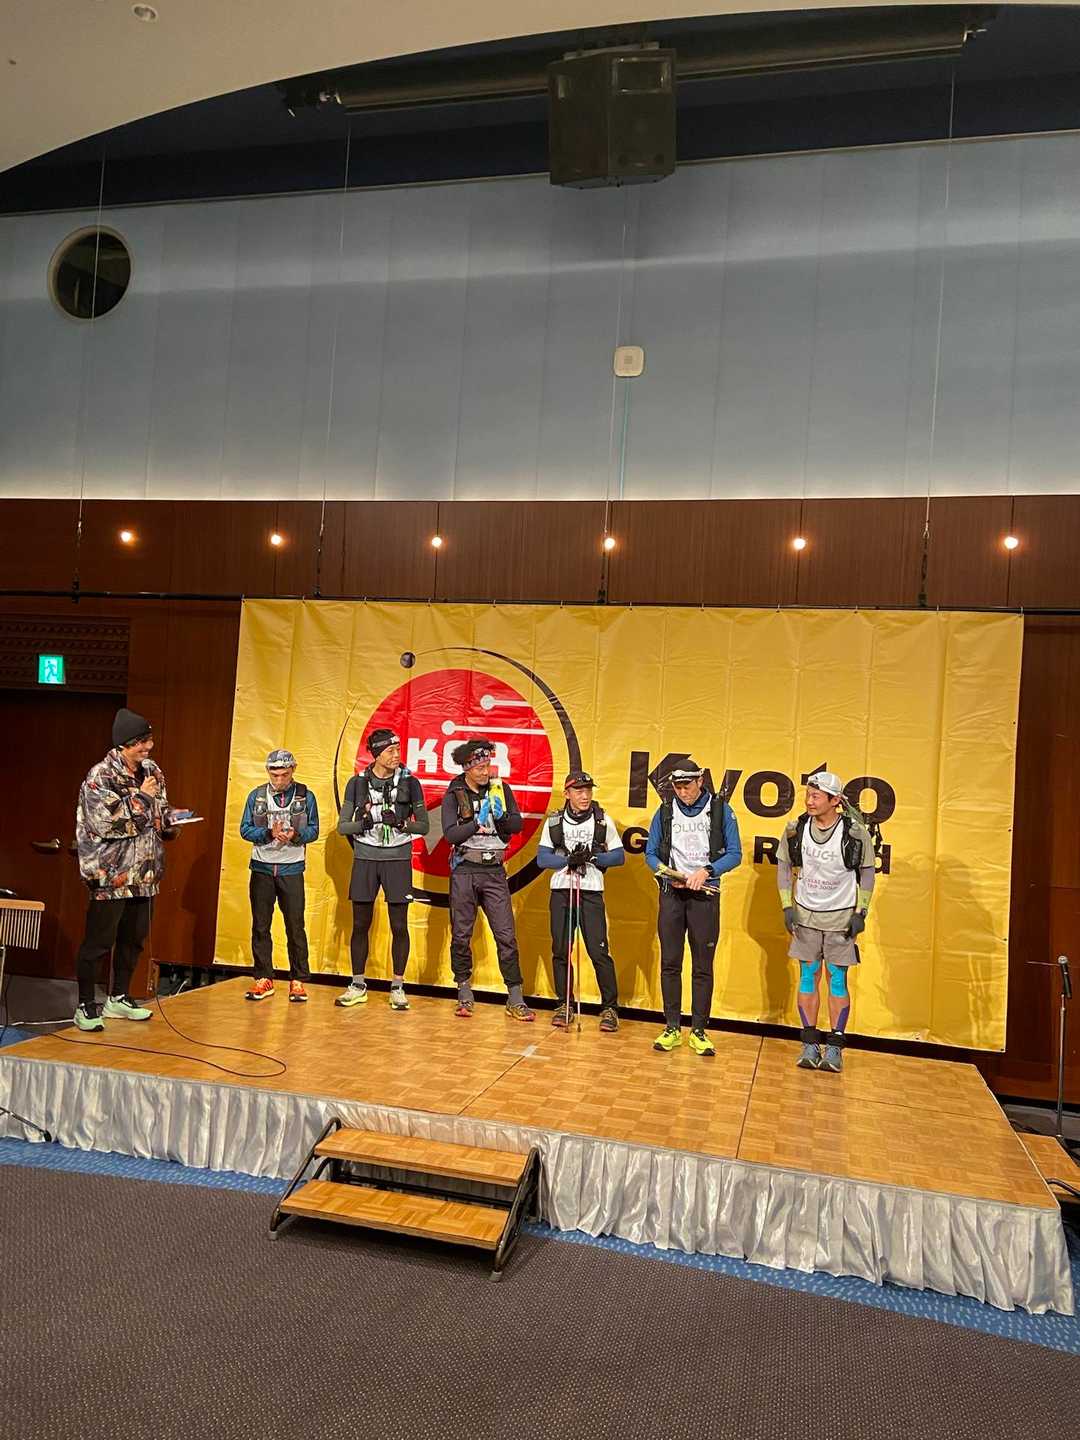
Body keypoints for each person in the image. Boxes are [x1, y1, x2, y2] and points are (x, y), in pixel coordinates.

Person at [72, 708, 180, 1031]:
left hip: (144, 873)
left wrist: (171, 822)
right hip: (110, 875)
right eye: (141, 742)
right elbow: (107, 823)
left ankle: (118, 997)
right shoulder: (100, 777)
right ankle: (85, 1005)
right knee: (99, 943)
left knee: (133, 940)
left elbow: (158, 810)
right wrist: (142, 799)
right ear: (123, 744)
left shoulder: (152, 771)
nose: (148, 747)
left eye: (149, 740)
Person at [777, 771, 875, 1073]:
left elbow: (867, 873)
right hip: (806, 916)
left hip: (840, 917)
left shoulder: (854, 832)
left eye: (816, 796)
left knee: (837, 979)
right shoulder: (795, 829)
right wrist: (787, 906)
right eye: (808, 795)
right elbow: (783, 867)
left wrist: (860, 913)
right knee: (808, 976)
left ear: (835, 801)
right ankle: (809, 1043)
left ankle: (835, 1045)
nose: (809, 801)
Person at [645, 764, 742, 1056]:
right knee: (670, 962)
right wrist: (665, 872)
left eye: (687, 785)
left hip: (705, 895)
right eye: (677, 787)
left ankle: (699, 1030)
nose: (683, 792)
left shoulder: (720, 810)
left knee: (702, 965)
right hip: (672, 895)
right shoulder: (665, 811)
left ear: (700, 780)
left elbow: (735, 854)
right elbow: (650, 854)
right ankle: (672, 1027)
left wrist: (707, 871)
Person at [335, 728, 429, 1011]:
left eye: (398, 749)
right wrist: (361, 824)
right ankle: (358, 984)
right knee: (360, 924)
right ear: (376, 754)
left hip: (397, 858)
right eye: (390, 750)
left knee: (399, 925)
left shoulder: (410, 782)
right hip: (365, 858)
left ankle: (398, 987)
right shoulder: (357, 783)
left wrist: (401, 824)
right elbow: (343, 827)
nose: (396, 755)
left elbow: (424, 826)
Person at [442, 738, 533, 1022]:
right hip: (465, 869)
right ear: (467, 768)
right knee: (461, 934)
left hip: (494, 870)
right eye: (479, 768)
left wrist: (501, 815)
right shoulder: (455, 792)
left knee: (506, 934)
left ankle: (515, 997)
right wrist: (475, 823)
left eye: (487, 766)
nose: (485, 772)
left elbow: (517, 825)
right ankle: (464, 991)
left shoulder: (500, 788)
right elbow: (450, 834)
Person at [536, 770, 624, 1032]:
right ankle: (564, 1004)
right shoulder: (555, 822)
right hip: (562, 890)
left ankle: (609, 1008)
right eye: (579, 791)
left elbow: (619, 856)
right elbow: (542, 858)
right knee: (561, 950)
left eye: (588, 790)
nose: (585, 796)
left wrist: (594, 858)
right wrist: (567, 860)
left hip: (591, 891)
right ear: (567, 794)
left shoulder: (602, 821)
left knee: (598, 951)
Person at [240, 749, 319, 1003]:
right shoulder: (256, 795)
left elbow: (314, 830)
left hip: (291, 869)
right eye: (274, 775)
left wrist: (296, 835)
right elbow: (244, 829)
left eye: (284, 774)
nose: (279, 780)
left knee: (295, 926)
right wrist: (267, 834)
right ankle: (263, 978)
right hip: (262, 868)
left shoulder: (306, 796)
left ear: (293, 770)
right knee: (260, 925)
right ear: (268, 772)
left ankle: (298, 980)